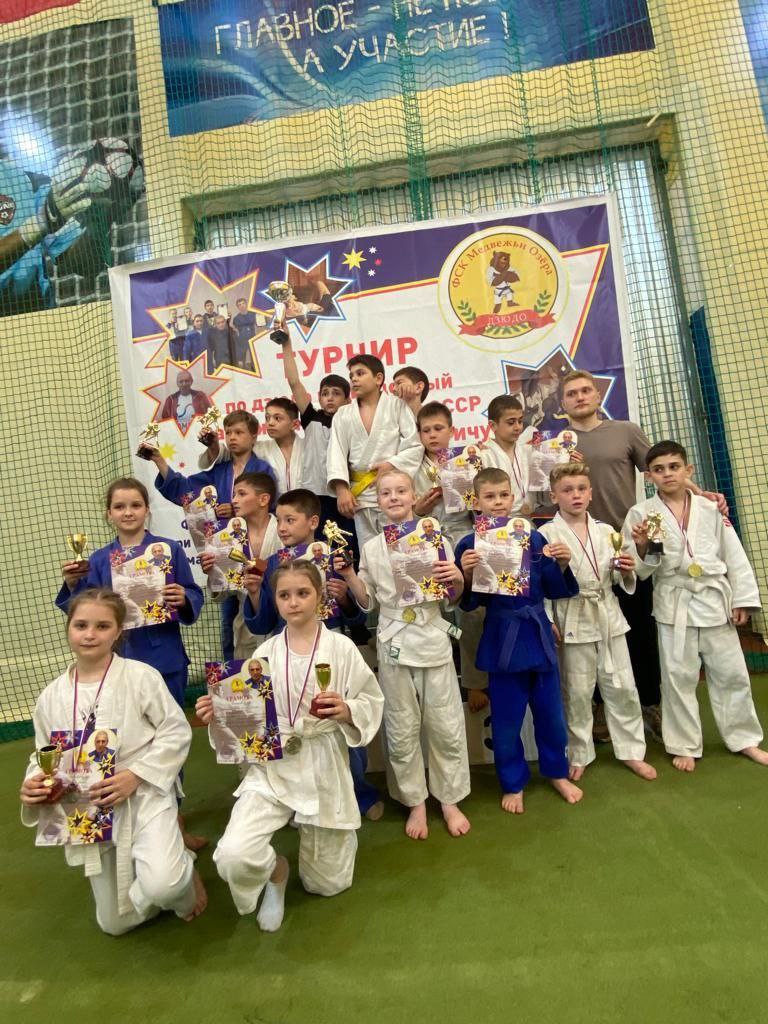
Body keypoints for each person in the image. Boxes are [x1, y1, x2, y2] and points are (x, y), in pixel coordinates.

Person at [196, 561, 384, 932]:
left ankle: (327, 846)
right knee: (233, 856)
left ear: (319, 596)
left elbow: (371, 698)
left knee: (327, 884)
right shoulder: (263, 654)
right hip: (274, 764)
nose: (293, 602)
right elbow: (247, 719)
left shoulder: (342, 648)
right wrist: (218, 713)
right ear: (275, 600)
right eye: (284, 595)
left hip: (323, 761)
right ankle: (275, 872)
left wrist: (347, 710)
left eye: (302, 593)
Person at [21, 589, 206, 935]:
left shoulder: (141, 676)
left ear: (118, 631)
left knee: (166, 887)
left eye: (102, 626)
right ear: (69, 628)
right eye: (81, 625)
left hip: (144, 795)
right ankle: (161, 865)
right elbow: (44, 755)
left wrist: (135, 775)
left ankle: (182, 872)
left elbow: (175, 731)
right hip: (90, 806)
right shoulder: (50, 697)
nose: (90, 634)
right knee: (115, 924)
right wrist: (35, 781)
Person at [560, 369, 727, 741]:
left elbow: (661, 469)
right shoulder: (557, 443)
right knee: (592, 633)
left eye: (586, 390)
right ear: (562, 402)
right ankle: (601, 707)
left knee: (639, 629)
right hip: (583, 550)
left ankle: (650, 703)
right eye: (572, 393)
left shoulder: (625, 431)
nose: (580, 396)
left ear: (597, 395)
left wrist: (699, 494)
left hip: (631, 545)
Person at [56, 478, 207, 850]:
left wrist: (183, 597)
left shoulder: (168, 550)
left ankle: (172, 823)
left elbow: (193, 593)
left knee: (168, 741)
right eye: (120, 506)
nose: (128, 512)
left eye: (135, 505)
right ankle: (128, 825)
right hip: (115, 665)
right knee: (121, 743)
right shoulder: (97, 560)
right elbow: (85, 610)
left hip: (165, 661)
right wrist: (73, 584)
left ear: (147, 510)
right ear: (109, 513)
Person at [338, 470, 471, 840]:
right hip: (394, 640)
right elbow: (367, 603)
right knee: (401, 726)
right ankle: (415, 801)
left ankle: (449, 798)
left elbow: (453, 595)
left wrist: (457, 578)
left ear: (414, 496)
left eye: (401, 490)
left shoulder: (434, 536)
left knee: (445, 723)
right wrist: (349, 575)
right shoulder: (372, 547)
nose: (394, 497)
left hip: (432, 635)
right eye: (386, 493)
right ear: (377, 501)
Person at [624, 441, 767, 772]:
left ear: (688, 470)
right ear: (649, 477)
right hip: (674, 601)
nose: (667, 474)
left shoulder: (710, 508)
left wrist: (742, 598)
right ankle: (684, 744)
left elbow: (733, 554)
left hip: (715, 600)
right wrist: (642, 548)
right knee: (678, 677)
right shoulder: (642, 513)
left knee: (731, 673)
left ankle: (745, 738)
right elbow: (642, 569)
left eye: (674, 467)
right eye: (658, 469)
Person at [241, 488, 381, 820]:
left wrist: (343, 597)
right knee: (292, 726)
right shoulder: (273, 565)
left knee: (338, 723)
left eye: (290, 520)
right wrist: (256, 593)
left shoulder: (334, 556)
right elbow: (263, 622)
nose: (282, 527)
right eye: (279, 520)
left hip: (330, 646)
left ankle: (359, 794)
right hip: (287, 653)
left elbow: (356, 617)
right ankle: (295, 797)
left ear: (313, 522)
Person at [455, 468, 582, 813]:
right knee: (507, 723)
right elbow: (468, 603)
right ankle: (513, 782)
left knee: (552, 715)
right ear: (476, 502)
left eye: (503, 495)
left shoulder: (533, 537)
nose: (498, 502)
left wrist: (562, 564)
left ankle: (557, 772)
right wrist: (467, 574)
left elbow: (553, 588)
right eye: (489, 497)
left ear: (512, 497)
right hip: (502, 638)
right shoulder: (469, 544)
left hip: (537, 632)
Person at [540, 464, 655, 781]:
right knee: (576, 692)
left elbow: (620, 575)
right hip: (572, 615)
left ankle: (632, 751)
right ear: (554, 496)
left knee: (622, 686)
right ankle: (579, 753)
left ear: (591, 493)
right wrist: (548, 619)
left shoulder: (607, 532)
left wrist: (625, 568)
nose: (575, 495)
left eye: (581, 489)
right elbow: (541, 584)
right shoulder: (546, 535)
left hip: (608, 614)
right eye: (567, 490)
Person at [413, 401, 488, 713]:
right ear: (419, 435)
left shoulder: (466, 460)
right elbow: (406, 512)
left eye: (438, 428)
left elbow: (482, 506)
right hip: (427, 542)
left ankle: (475, 680)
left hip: (462, 537)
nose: (432, 435)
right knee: (434, 613)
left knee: (471, 612)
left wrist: (469, 496)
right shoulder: (412, 466)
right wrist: (420, 509)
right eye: (426, 430)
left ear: (451, 430)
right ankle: (440, 682)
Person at [327, 354, 423, 549]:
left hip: (394, 492)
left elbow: (414, 446)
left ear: (378, 378)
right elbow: (335, 453)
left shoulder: (397, 406)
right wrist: (341, 489)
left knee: (403, 548)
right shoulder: (343, 414)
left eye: (360, 373)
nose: (354, 379)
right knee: (370, 550)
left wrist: (391, 465)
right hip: (360, 496)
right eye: (351, 375)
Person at [278, 335, 354, 540]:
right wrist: (286, 343)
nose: (330, 398)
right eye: (325, 393)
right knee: (319, 548)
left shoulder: (352, 422)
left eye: (336, 393)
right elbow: (294, 382)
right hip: (314, 497)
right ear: (319, 397)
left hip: (344, 496)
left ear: (348, 400)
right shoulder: (311, 418)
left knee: (346, 546)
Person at [199, 472, 281, 659]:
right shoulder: (225, 538)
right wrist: (213, 572)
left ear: (263, 499)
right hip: (247, 625)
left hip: (283, 619)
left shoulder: (283, 530)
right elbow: (223, 593)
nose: (234, 500)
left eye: (242, 494)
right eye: (234, 494)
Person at [199, 398, 304, 499]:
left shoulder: (308, 449)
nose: (270, 423)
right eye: (267, 418)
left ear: (295, 424)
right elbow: (232, 452)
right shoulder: (261, 448)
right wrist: (213, 446)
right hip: (276, 508)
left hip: (307, 506)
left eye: (277, 418)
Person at [481, 396, 532, 515]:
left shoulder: (529, 451)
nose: (517, 427)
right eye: (511, 422)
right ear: (493, 425)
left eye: (520, 421)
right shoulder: (483, 455)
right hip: (497, 520)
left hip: (529, 518)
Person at [231, 297, 257, 370]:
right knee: (241, 359)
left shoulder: (253, 314)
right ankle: (243, 372)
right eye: (239, 305)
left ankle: (255, 370)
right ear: (237, 307)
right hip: (242, 340)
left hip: (252, 338)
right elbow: (235, 329)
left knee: (254, 357)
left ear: (246, 304)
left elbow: (259, 324)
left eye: (243, 303)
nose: (242, 306)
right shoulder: (236, 318)